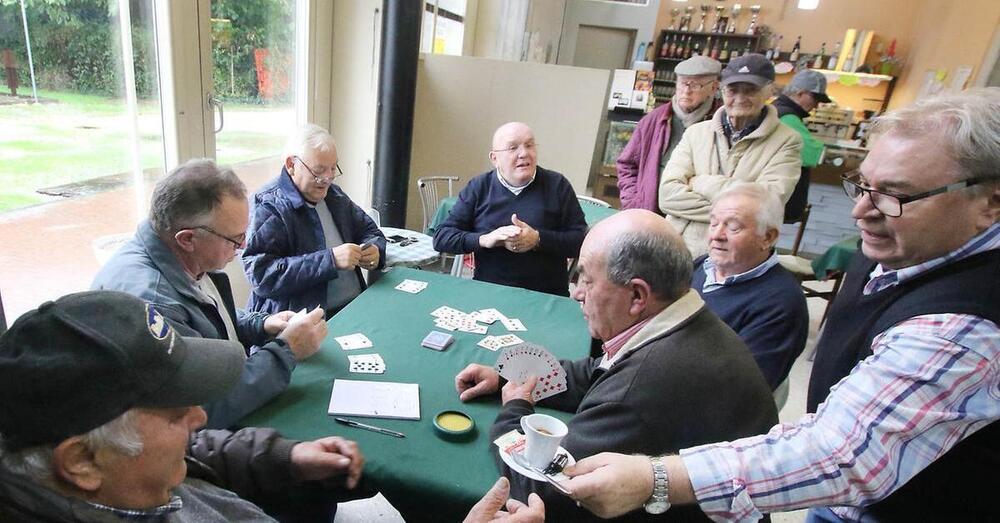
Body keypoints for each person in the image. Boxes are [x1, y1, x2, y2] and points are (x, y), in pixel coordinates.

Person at [562, 89, 1000, 522]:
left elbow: (841, 453)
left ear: (990, 202)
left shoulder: (965, 323)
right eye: (863, 185)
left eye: (895, 196)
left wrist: (656, 478)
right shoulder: (903, 244)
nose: (860, 212)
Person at [455, 209, 777, 521]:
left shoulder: (644, 384)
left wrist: (514, 410)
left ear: (637, 296)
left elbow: (547, 486)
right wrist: (510, 376)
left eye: (587, 280)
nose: (577, 293)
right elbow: (598, 373)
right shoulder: (682, 320)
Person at [0, 290, 365, 522]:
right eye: (175, 416)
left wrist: (285, 456)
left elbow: (195, 451)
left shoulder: (120, 465)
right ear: (82, 461)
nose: (200, 416)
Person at [93, 159, 327, 430]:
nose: (244, 246)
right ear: (187, 239)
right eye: (235, 239)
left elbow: (203, 319)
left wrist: (260, 324)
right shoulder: (155, 303)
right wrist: (286, 350)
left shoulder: (174, 253)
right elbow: (202, 410)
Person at [659, 53, 802, 257]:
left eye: (750, 90)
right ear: (722, 90)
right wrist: (736, 209)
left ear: (769, 90)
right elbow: (667, 196)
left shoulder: (787, 141)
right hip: (676, 250)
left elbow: (765, 206)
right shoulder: (696, 133)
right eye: (733, 90)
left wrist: (701, 183)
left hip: (735, 258)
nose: (740, 98)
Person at [242, 124, 386, 317]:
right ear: (291, 165)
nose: (327, 179)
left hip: (353, 308)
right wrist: (330, 260)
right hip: (302, 323)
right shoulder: (267, 205)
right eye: (319, 170)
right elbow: (261, 275)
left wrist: (376, 249)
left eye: (333, 168)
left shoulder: (335, 196)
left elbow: (370, 230)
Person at [433, 122, 588, 297]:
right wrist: (486, 239)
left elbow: (582, 241)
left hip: (546, 296)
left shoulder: (557, 185)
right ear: (494, 159)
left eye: (529, 145)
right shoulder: (479, 187)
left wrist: (537, 239)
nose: (524, 153)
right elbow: (442, 237)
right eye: (513, 148)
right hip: (489, 291)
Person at [692, 184, 808, 391]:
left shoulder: (781, 304)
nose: (716, 235)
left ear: (768, 237)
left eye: (733, 227)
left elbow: (742, 389)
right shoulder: (701, 266)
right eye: (713, 223)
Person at [617, 56, 721, 214]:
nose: (686, 91)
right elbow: (627, 165)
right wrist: (633, 202)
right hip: (649, 215)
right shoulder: (654, 120)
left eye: (695, 85)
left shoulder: (719, 123)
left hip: (694, 218)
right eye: (682, 83)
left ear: (713, 88)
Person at [772, 69, 829, 222]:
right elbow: (810, 154)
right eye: (815, 98)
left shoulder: (776, 109)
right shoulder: (788, 116)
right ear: (800, 93)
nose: (816, 105)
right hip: (778, 197)